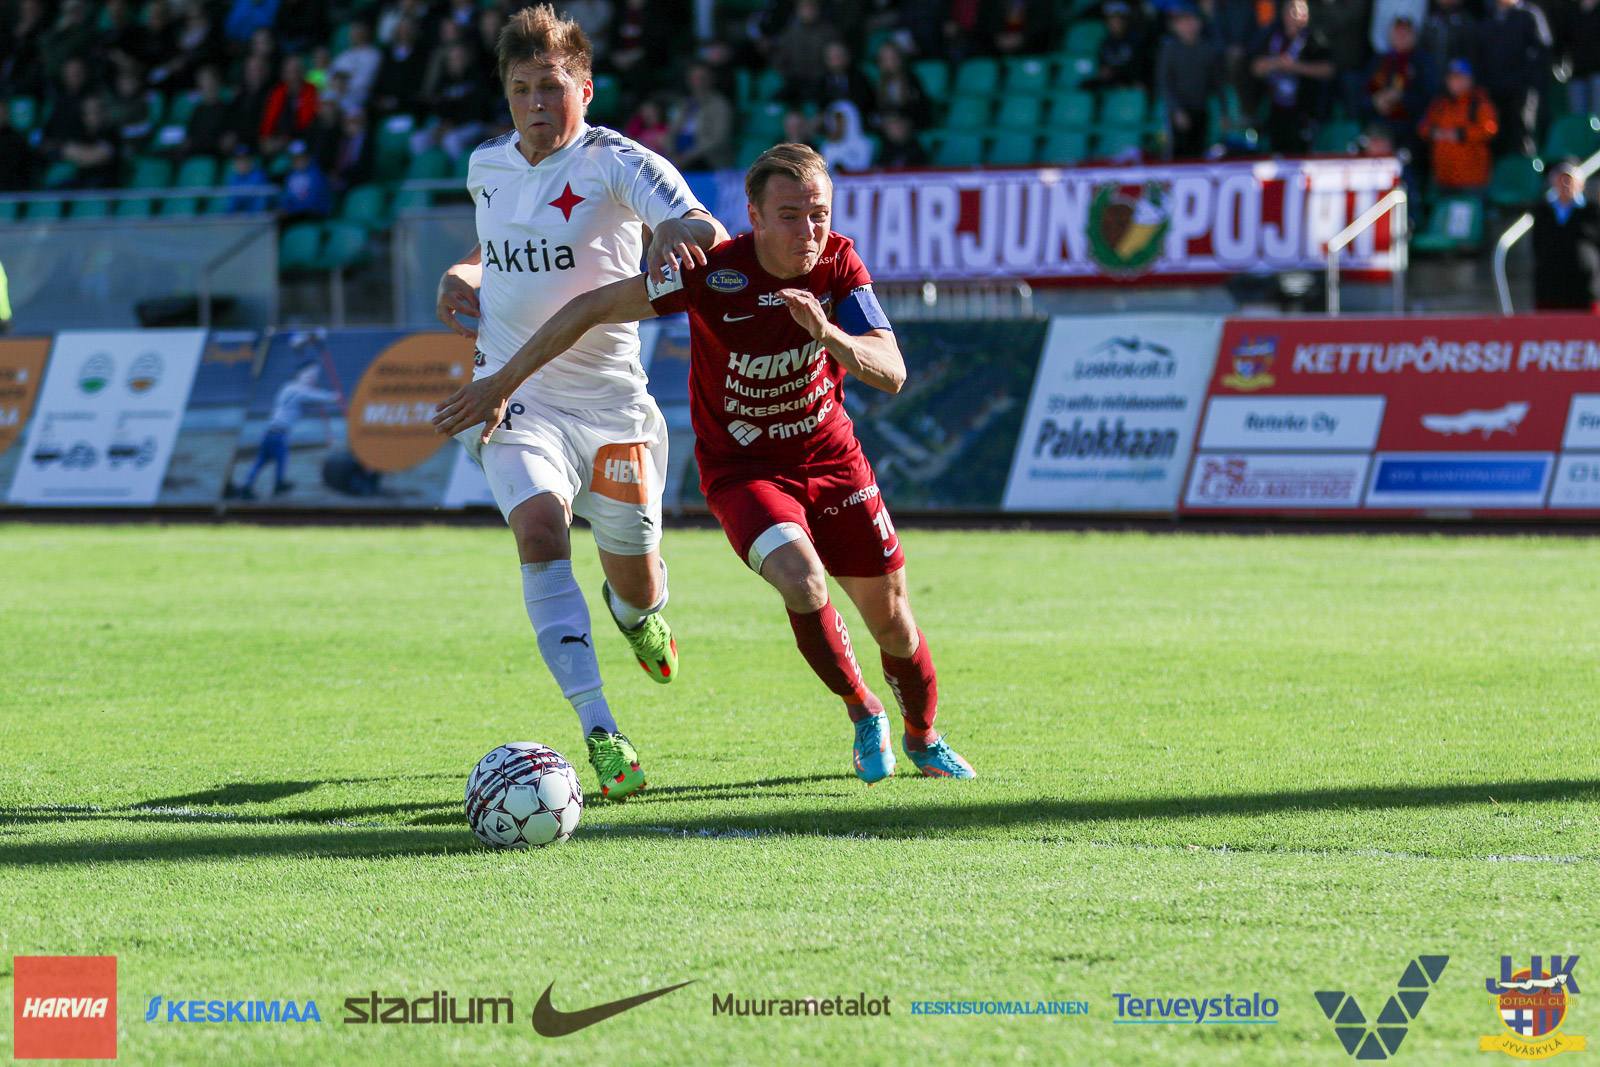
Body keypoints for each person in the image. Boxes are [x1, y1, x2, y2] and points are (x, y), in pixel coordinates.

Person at [434, 143, 978, 783]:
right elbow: (592, 307)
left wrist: (826, 333)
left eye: (819, 215)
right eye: (790, 215)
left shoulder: (839, 265)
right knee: (803, 583)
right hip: (745, 473)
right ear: (755, 215)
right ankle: (863, 711)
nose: (808, 231)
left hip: (834, 463)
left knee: (894, 625)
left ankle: (923, 736)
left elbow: (892, 371)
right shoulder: (714, 274)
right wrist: (501, 382)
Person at [429, 5, 729, 801]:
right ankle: (599, 727)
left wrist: (678, 236)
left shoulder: (616, 162)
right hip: (513, 394)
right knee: (538, 528)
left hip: (612, 409)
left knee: (636, 583)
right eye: (521, 88)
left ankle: (637, 616)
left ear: (585, 90)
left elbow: (702, 224)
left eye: (552, 87)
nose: (536, 103)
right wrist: (464, 271)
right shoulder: (486, 164)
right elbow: (497, 244)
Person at [227, 359, 342, 499]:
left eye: (314, 376)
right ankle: (277, 484)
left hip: (270, 432)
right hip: (277, 433)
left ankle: (248, 486)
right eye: (308, 374)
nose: (312, 378)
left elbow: (305, 401)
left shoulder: (290, 388)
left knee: (261, 461)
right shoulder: (295, 389)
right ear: (298, 374)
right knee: (280, 458)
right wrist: (333, 397)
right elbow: (313, 395)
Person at [1250, 0, 1334, 155]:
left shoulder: (1314, 39)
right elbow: (1256, 67)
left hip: (1303, 110)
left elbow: (1328, 69)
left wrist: (1295, 67)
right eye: (1294, 11)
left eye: (1303, 12)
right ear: (1284, 14)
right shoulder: (1274, 38)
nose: (1299, 16)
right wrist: (1276, 64)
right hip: (1275, 109)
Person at [1417, 59, 1497, 194]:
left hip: (1472, 180)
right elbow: (1423, 126)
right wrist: (1434, 132)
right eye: (1452, 78)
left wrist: (1461, 134)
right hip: (1443, 178)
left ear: (1470, 80)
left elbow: (1489, 129)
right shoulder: (1440, 104)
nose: (1456, 82)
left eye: (1460, 78)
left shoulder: (1480, 103)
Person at [1531, 162, 1600, 312]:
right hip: (1550, 288)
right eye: (1561, 180)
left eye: (1570, 180)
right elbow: (1537, 244)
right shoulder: (1543, 212)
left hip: (1584, 288)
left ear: (1580, 184)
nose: (1565, 184)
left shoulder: (1592, 211)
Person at [1157, 6, 1224, 160]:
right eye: (1182, 21)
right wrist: (1177, 110)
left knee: (1199, 153)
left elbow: (1218, 82)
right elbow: (1164, 83)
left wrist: (1224, 113)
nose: (1187, 25)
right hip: (1177, 111)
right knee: (1178, 154)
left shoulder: (1208, 49)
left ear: (1198, 23)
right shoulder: (1170, 50)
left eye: (1190, 20)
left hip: (1201, 109)